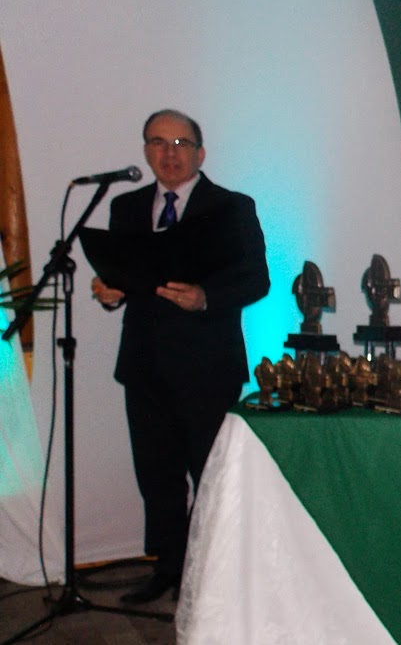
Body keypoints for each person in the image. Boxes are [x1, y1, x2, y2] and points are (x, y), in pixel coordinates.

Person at [92, 109, 269, 604]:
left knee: (209, 475)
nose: (169, 153)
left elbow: (256, 280)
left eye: (180, 143)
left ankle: (215, 574)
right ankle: (168, 567)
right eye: (158, 142)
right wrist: (110, 290)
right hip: (144, 363)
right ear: (145, 151)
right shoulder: (127, 208)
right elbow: (124, 273)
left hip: (207, 366)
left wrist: (206, 298)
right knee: (157, 475)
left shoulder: (231, 207)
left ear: (200, 152)